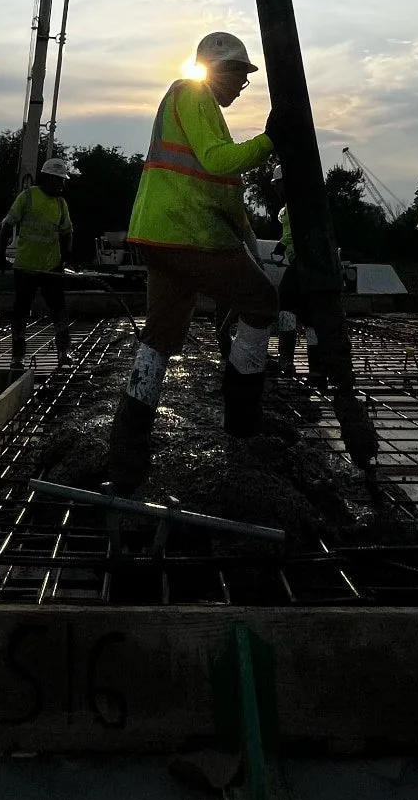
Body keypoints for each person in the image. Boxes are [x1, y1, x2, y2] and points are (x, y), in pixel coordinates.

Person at [103, 32, 284, 494]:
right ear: (214, 69)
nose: (242, 85)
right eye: (238, 74)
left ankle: (128, 446)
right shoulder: (193, 92)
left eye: (246, 77)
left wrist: (241, 224)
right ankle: (243, 418)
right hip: (189, 230)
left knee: (161, 334)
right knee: (262, 302)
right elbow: (220, 162)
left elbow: (214, 178)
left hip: (159, 232)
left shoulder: (192, 104)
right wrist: (271, 140)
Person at [0, 155, 75, 371]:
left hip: (51, 267)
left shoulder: (60, 204)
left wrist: (66, 256)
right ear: (47, 178)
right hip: (25, 268)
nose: (62, 185)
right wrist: (1, 253)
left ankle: (63, 353)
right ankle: (17, 357)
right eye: (59, 180)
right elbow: (7, 225)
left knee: (59, 309)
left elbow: (67, 232)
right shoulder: (28, 197)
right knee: (21, 311)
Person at [272, 170, 320, 378]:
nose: (276, 188)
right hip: (310, 264)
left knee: (285, 307)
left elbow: (296, 232)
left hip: (301, 261)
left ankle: (286, 361)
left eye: (278, 183)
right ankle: (317, 369)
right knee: (310, 317)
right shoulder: (305, 200)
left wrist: (281, 246)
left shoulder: (296, 203)